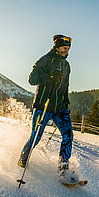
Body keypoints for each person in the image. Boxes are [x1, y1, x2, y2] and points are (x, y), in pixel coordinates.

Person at [18, 34, 73, 176]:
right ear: (57, 47)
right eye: (64, 48)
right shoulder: (45, 60)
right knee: (36, 137)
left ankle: (63, 168)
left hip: (60, 108)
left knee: (68, 135)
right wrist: (49, 77)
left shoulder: (66, 65)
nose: (66, 52)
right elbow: (32, 79)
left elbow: (65, 85)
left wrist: (66, 101)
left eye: (68, 49)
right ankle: (23, 159)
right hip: (44, 105)